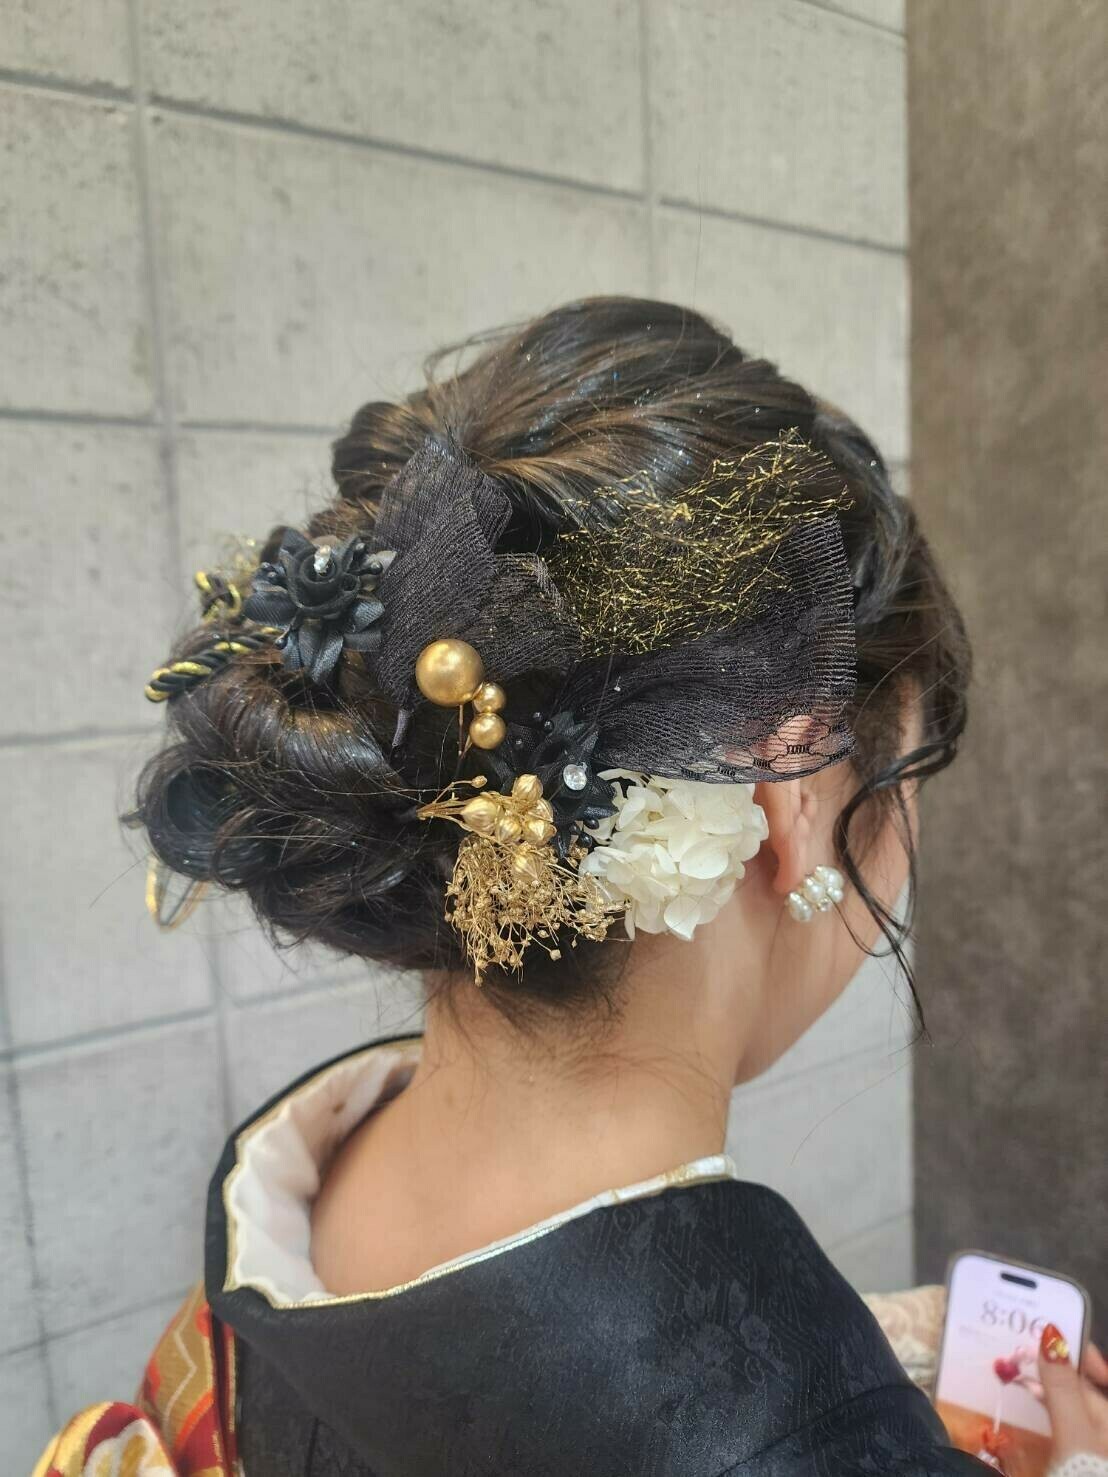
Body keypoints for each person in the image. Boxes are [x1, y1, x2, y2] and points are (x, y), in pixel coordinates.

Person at [33, 299, 1107, 1475]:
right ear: (792, 801)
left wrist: (862, 1388)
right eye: (901, 778)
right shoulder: (786, 1438)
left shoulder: (305, 1170)